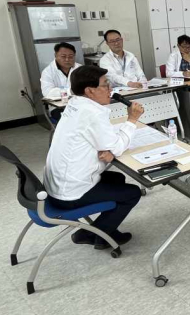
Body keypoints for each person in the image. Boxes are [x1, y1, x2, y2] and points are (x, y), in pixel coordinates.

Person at [43, 65, 144, 249]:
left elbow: (106, 144)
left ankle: (106, 229)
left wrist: (111, 150)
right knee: (132, 193)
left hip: (57, 185)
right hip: (70, 194)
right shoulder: (92, 113)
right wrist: (132, 120)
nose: (110, 89)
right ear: (89, 90)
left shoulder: (75, 104)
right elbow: (118, 147)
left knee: (118, 178)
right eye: (105, 85)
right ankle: (92, 233)